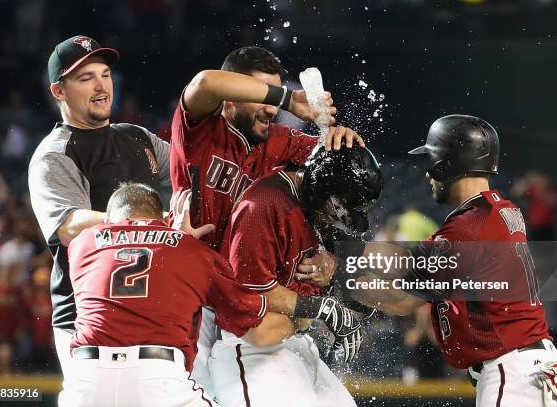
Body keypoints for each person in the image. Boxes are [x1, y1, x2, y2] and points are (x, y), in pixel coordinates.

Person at [170, 45, 364, 394]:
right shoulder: (199, 130)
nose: (271, 107)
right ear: (231, 97)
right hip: (193, 298)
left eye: (273, 96)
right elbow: (205, 81)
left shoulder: (283, 142)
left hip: (248, 302)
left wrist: (344, 140)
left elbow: (340, 181)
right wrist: (289, 98)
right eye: (261, 94)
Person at [347, 115, 557, 407]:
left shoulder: (468, 228)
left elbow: (401, 301)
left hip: (515, 376)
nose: (428, 174)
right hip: (538, 371)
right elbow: (408, 260)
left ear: (447, 163)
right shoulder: (494, 211)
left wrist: (341, 282)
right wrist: (349, 252)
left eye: (431, 161)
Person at [60, 182, 286, 407]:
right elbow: (253, 325)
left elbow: (122, 236)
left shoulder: (83, 244)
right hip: (158, 379)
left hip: (85, 379)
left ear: (109, 220)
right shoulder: (192, 251)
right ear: (164, 219)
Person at [28, 35, 171, 378]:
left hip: (151, 309)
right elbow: (69, 225)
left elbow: (191, 174)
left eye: (105, 74)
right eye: (85, 77)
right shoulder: (55, 154)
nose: (100, 84)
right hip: (89, 317)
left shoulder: (138, 137)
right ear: (59, 91)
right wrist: (146, 224)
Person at [210, 145, 383, 407]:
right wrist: (322, 308)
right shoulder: (262, 204)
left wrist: (340, 283)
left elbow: (372, 279)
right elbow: (249, 299)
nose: (334, 220)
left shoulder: (314, 204)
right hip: (253, 352)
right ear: (320, 190)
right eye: (334, 210)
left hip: (296, 344)